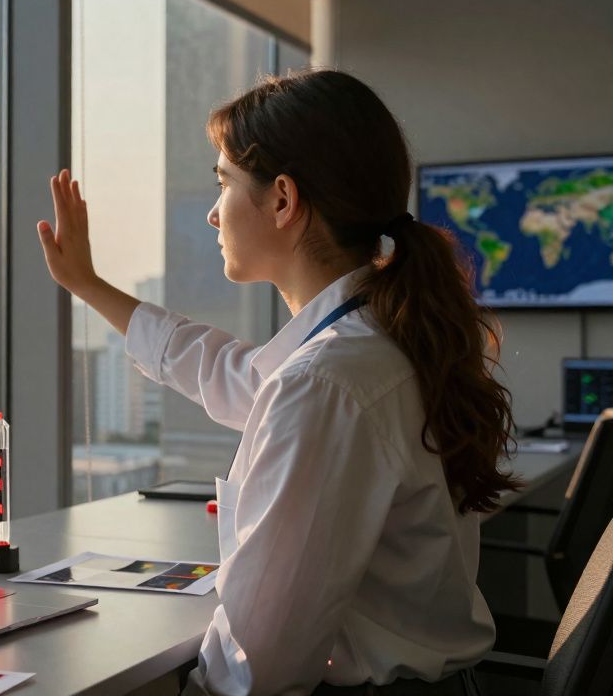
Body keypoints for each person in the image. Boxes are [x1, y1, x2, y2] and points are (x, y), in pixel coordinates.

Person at [36, 69, 519, 695]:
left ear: (284, 200)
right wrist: (90, 286)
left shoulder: (329, 381)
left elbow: (256, 666)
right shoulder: (376, 344)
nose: (213, 214)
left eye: (225, 183)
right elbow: (229, 372)